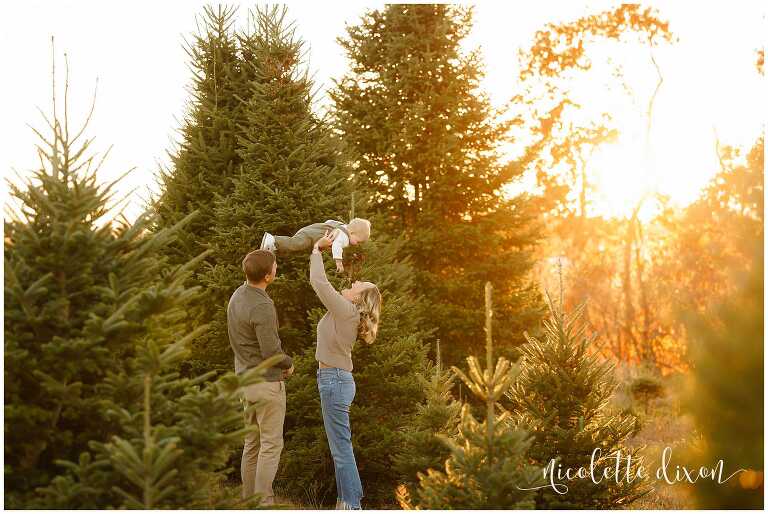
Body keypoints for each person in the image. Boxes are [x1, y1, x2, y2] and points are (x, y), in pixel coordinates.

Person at [309, 232, 382, 510]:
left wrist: (317, 250)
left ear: (358, 298)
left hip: (334, 381)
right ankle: (345, 501)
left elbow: (319, 282)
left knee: (341, 448)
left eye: (357, 285)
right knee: (340, 447)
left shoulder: (346, 310)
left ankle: (351, 504)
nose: (352, 283)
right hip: (334, 380)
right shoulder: (346, 311)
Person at [226, 249, 294, 505]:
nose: (276, 268)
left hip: (245, 381)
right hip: (266, 383)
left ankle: (249, 501)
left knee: (251, 443)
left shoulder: (237, 295)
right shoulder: (262, 305)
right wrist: (288, 364)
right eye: (274, 266)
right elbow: (271, 351)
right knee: (270, 445)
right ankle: (264, 502)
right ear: (268, 276)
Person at [260, 218, 371, 273]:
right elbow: (336, 246)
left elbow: (329, 221)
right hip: (311, 236)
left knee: (295, 244)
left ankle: (274, 245)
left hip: (310, 229)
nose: (357, 244)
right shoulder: (344, 237)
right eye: (358, 241)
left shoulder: (341, 226)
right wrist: (338, 262)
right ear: (352, 233)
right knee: (295, 244)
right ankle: (272, 239)